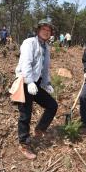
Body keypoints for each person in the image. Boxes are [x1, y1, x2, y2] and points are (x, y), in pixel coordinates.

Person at [14, 19, 58, 159]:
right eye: (43, 29)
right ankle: (24, 144)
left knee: (52, 105)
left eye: (48, 30)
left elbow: (44, 69)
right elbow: (25, 63)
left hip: (36, 84)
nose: (46, 32)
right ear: (38, 30)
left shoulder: (46, 47)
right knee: (25, 114)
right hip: (25, 82)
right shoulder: (29, 43)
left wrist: (47, 83)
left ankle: (39, 129)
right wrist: (29, 81)